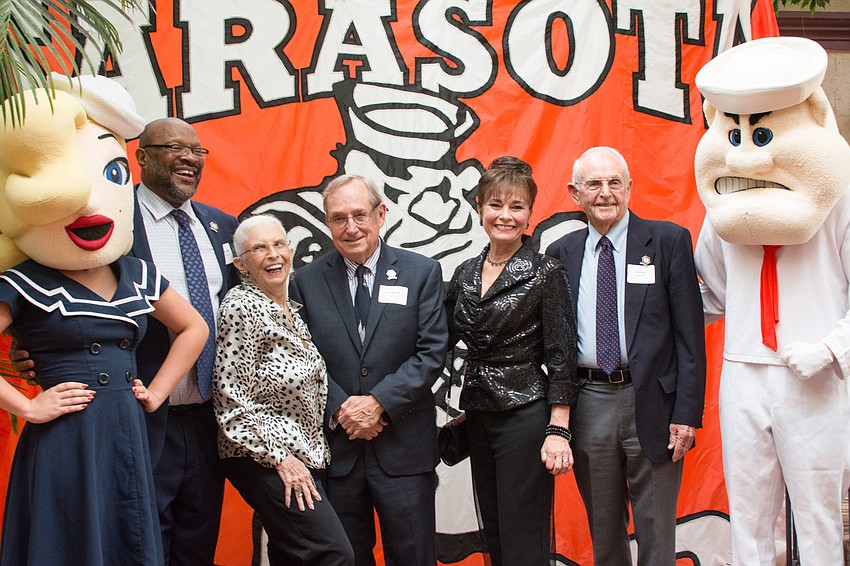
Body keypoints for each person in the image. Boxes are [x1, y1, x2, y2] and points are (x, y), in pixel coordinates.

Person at [0, 77, 209, 565]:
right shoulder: (26, 279)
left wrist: (155, 392)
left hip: (127, 430)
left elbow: (194, 327)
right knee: (66, 542)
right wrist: (27, 407)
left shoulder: (135, 272)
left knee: (127, 538)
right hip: (63, 440)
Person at [694, 37, 850, 565]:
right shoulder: (727, 203)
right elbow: (708, 293)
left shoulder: (841, 197)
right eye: (733, 131)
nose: (745, 150)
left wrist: (832, 348)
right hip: (743, 374)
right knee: (751, 518)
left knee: (818, 516)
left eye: (760, 132)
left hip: (815, 379)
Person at [545, 147, 705, 566]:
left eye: (615, 182)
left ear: (630, 188)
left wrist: (687, 413)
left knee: (656, 531)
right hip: (589, 402)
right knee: (605, 531)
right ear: (574, 193)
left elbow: (691, 337)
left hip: (653, 401)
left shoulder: (669, 242)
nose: (605, 193)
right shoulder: (560, 254)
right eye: (593, 184)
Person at [290, 174, 448, 566]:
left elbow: (431, 352)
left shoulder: (421, 272)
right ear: (327, 223)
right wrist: (344, 409)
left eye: (359, 215)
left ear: (380, 214)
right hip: (338, 453)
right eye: (338, 218)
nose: (351, 227)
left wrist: (378, 403)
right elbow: (300, 360)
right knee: (346, 558)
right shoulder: (305, 282)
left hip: (404, 451)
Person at [444, 156, 577, 566]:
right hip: (478, 416)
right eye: (496, 204)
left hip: (525, 415)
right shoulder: (464, 273)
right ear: (479, 206)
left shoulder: (544, 272)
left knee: (524, 535)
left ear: (529, 213)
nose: (505, 216)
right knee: (496, 534)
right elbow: (438, 344)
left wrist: (559, 429)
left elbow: (562, 354)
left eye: (516, 207)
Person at [212, 215, 354, 565]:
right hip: (264, 458)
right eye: (259, 248)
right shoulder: (241, 306)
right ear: (241, 264)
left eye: (278, 244)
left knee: (292, 555)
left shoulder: (291, 309)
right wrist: (281, 459)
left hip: (304, 454)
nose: (273, 254)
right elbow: (229, 400)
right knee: (332, 554)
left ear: (291, 250)